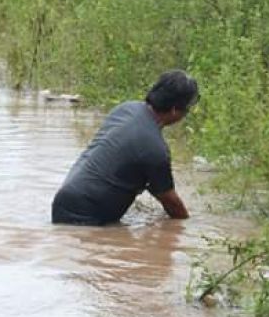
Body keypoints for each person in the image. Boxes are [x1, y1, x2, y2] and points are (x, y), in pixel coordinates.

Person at [51, 69, 198, 225]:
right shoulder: (155, 150)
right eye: (188, 108)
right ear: (175, 110)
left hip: (63, 200)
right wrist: (188, 225)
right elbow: (171, 203)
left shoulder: (125, 109)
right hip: (87, 217)